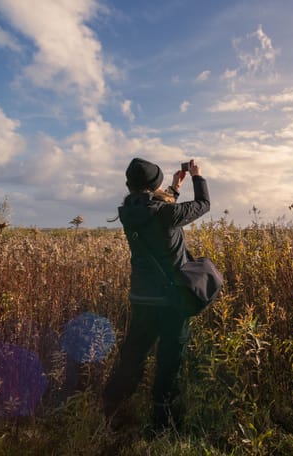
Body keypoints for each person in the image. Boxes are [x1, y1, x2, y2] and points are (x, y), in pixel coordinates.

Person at [103, 157, 210, 433]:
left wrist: (174, 188)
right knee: (170, 359)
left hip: (142, 297)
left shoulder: (128, 212)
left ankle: (111, 407)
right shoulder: (166, 214)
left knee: (134, 354)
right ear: (153, 186)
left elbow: (154, 207)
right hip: (172, 300)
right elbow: (203, 204)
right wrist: (197, 177)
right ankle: (163, 420)